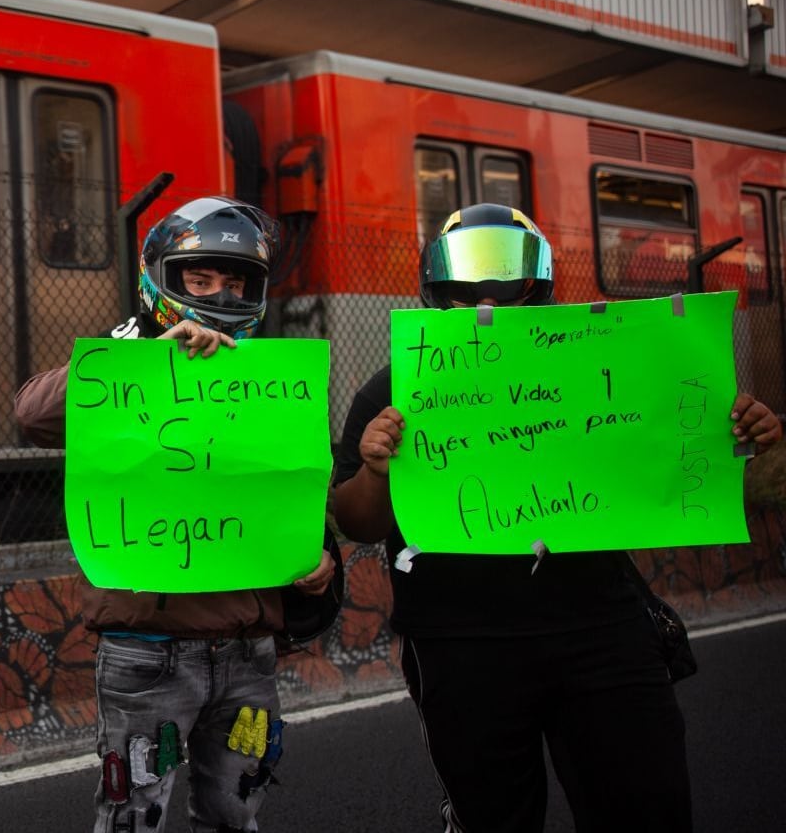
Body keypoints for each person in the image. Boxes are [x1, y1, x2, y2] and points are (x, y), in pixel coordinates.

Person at [332, 202, 781, 833]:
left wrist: (739, 431)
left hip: (601, 625)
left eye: (503, 275)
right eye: (468, 279)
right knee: (494, 816)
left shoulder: (601, 363)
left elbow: (667, 442)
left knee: (647, 805)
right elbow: (359, 523)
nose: (486, 294)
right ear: (437, 286)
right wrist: (378, 468)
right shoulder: (392, 388)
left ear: (536, 282)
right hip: (463, 644)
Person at [14, 195, 341, 833]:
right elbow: (31, 414)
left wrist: (321, 558)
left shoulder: (271, 382)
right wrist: (144, 356)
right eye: (199, 278)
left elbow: (303, 496)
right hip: (148, 653)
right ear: (162, 281)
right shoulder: (126, 360)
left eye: (234, 281)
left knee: (236, 811)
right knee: (133, 817)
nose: (218, 294)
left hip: (248, 650)